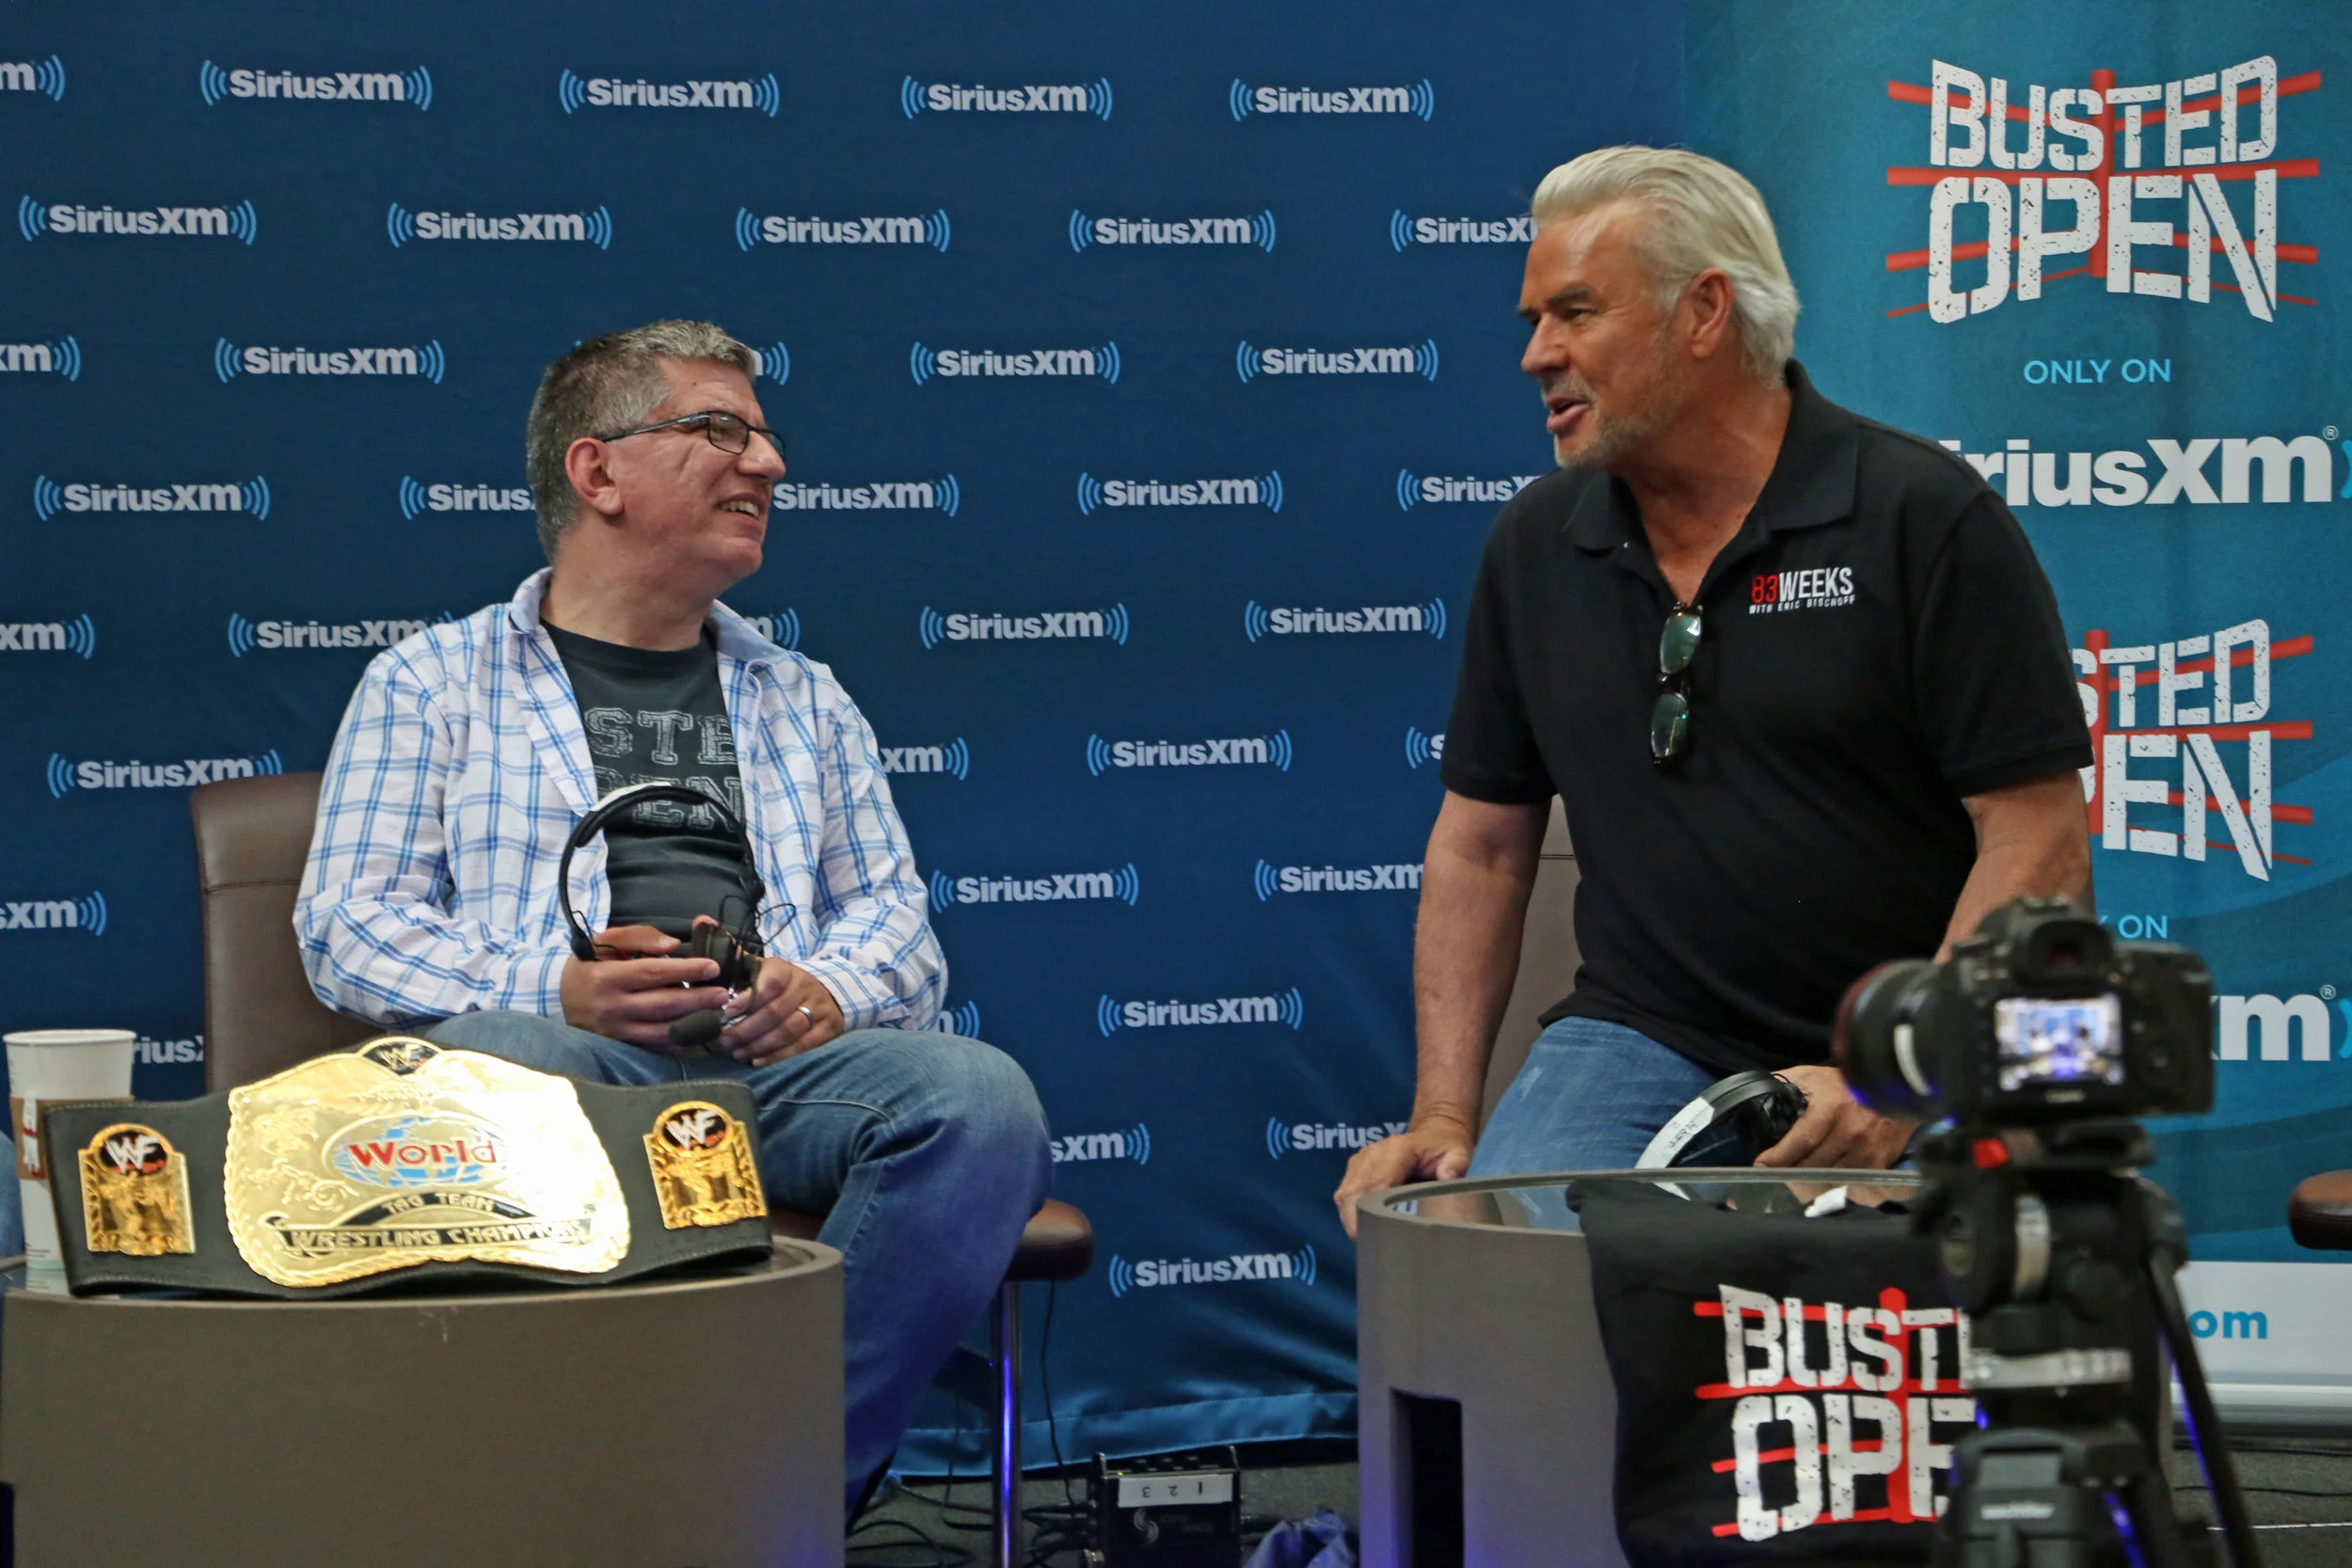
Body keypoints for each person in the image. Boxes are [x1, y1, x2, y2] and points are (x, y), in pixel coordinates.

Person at [295, 320, 1050, 1508]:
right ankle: (575, 1485)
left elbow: (898, 922)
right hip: (571, 1076)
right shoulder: (433, 681)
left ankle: (768, 1482)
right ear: (597, 473)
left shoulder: (803, 694)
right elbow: (348, 924)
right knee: (505, 1057)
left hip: (774, 1087)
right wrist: (558, 984)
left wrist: (828, 990)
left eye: (763, 437)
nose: (767, 465)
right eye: (718, 430)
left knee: (979, 1098)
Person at [1335, 149, 2093, 1234]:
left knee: (1922, 1334)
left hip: (1929, 1026)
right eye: (1532, 319)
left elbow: (2039, 842)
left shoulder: (1920, 514)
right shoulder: (1536, 544)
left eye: (1575, 312)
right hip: (1647, 1032)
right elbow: (1483, 843)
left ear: (1702, 312)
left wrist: (1898, 1075)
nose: (1535, 355)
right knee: (1511, 1269)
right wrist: (1443, 1112)